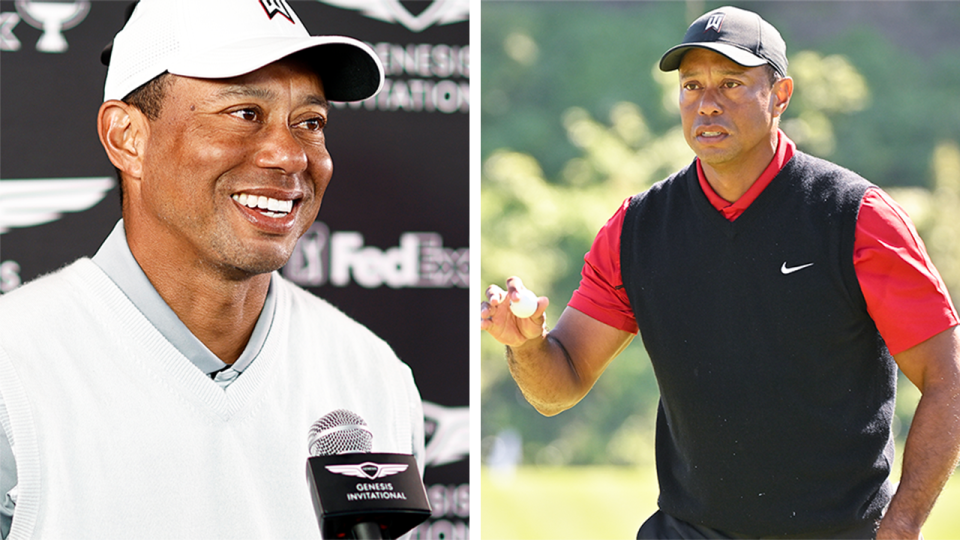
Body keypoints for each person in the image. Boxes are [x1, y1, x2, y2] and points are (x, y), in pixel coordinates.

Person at [481, 6, 960, 539]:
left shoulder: (856, 217)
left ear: (780, 96)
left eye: (731, 83)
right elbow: (560, 387)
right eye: (691, 86)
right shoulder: (637, 229)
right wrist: (525, 345)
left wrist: (902, 525)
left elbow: (949, 379)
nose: (706, 104)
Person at [0, 0, 424, 538]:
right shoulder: (12, 367)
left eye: (310, 123)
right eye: (245, 113)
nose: (290, 156)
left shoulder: (371, 374)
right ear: (127, 138)